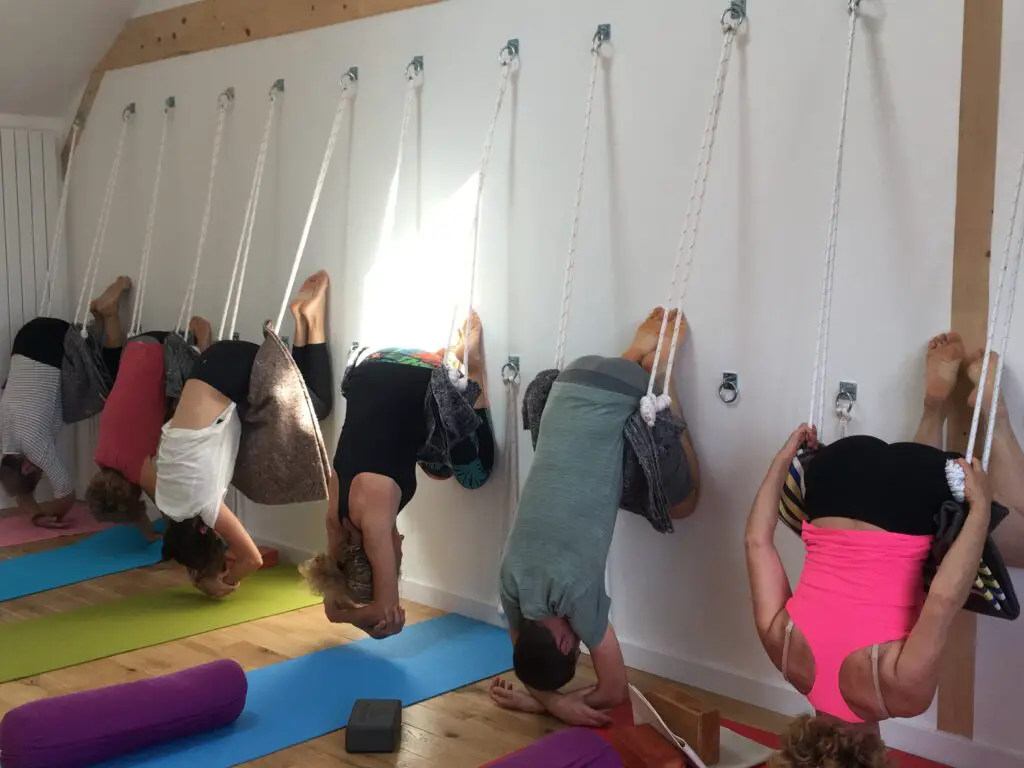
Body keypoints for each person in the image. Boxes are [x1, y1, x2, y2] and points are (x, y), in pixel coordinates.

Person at [745, 331, 1024, 761]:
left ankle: (995, 413)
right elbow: (757, 543)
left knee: (1019, 539)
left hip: (913, 484)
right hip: (835, 471)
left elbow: (944, 599)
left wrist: (982, 507)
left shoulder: (900, 697)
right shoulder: (783, 656)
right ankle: (933, 407)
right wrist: (785, 459)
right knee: (915, 519)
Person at [489, 308, 701, 727]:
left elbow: (614, 691)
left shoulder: (576, 597)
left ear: (569, 643)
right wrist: (544, 699)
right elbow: (518, 646)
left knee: (686, 501)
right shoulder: (509, 583)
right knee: (594, 447)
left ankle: (663, 381)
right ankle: (634, 354)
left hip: (628, 391)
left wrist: (555, 705)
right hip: (569, 382)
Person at [300, 310, 495, 639]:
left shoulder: (376, 529)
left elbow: (386, 617)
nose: (400, 545)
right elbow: (332, 608)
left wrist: (370, 620)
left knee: (473, 474)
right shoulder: (336, 525)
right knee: (437, 469)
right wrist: (345, 615)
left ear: (377, 558)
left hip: (424, 371)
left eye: (396, 557)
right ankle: (449, 354)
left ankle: (470, 363)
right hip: (373, 363)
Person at [156, 270, 335, 598]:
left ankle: (312, 319)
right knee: (289, 404)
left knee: (316, 407)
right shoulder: (166, 500)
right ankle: (301, 320)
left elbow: (251, 559)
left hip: (233, 372)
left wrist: (218, 584)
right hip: (212, 365)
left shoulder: (205, 506)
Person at [0, 276, 132, 529]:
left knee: (108, 383)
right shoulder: (8, 444)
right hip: (29, 337)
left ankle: (110, 313)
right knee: (87, 373)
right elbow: (20, 491)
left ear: (28, 467)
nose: (42, 475)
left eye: (37, 476)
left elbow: (66, 494)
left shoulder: (36, 449)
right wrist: (37, 516)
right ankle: (99, 314)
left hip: (52, 344)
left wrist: (53, 519)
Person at [84, 323, 204, 542]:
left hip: (164, 349)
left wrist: (183, 540)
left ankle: (204, 342)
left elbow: (167, 507)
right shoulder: (101, 458)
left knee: (195, 395)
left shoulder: (137, 470)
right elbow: (133, 502)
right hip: (134, 348)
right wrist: (150, 535)